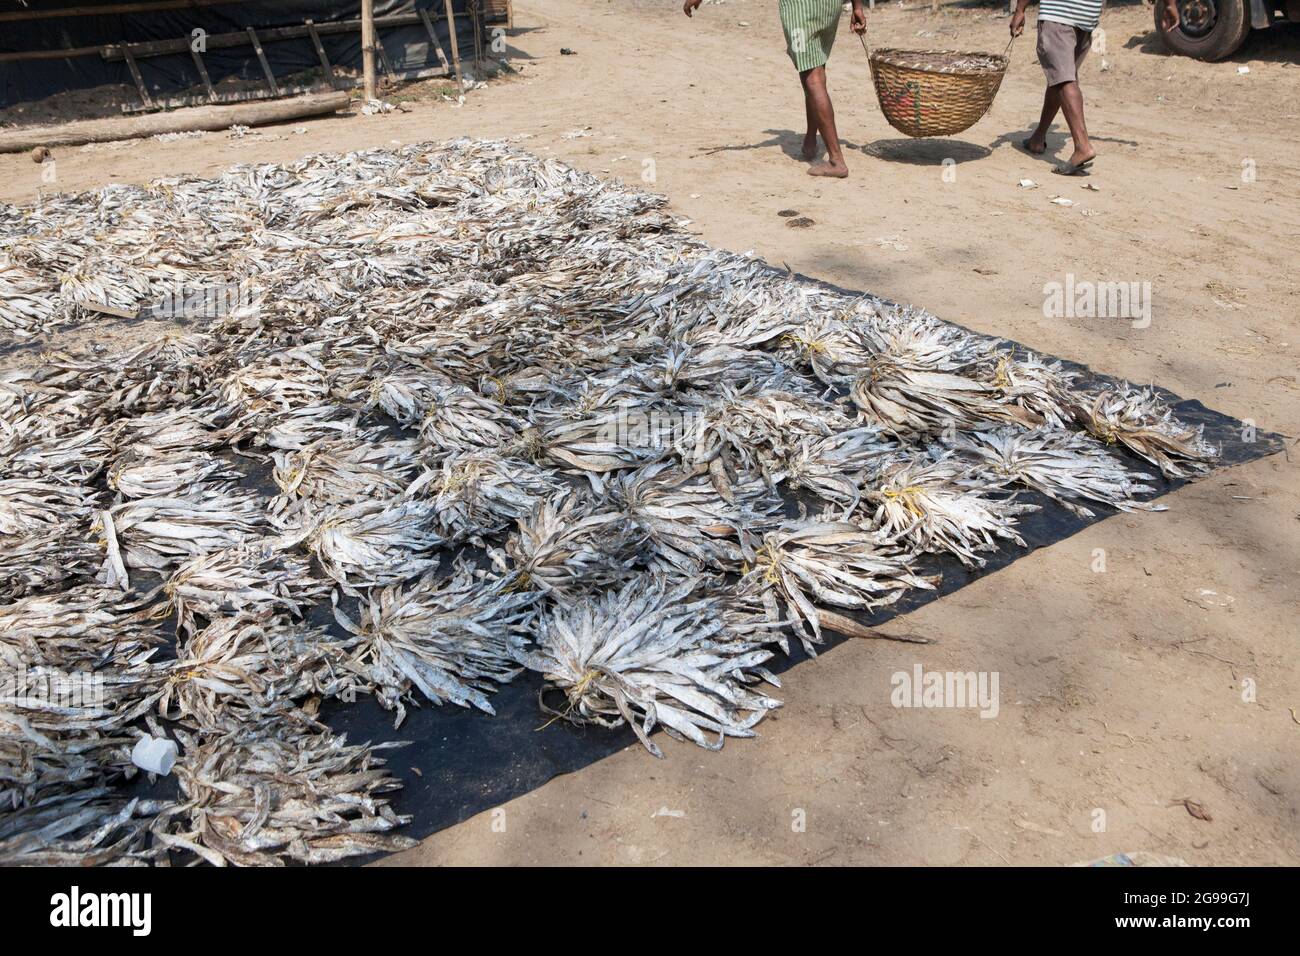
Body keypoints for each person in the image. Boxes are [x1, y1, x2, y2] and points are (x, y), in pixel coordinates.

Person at [684, 0, 868, 178]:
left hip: (803, 11)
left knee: (812, 78)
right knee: (815, 68)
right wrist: (857, 6)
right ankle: (811, 140)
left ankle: (837, 161)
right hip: (829, 8)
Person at [1011, 0, 1180, 175]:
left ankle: (1082, 146)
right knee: (1061, 78)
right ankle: (1038, 137)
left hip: (1058, 15)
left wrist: (1020, 10)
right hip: (1086, 19)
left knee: (1063, 80)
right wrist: (1169, 4)